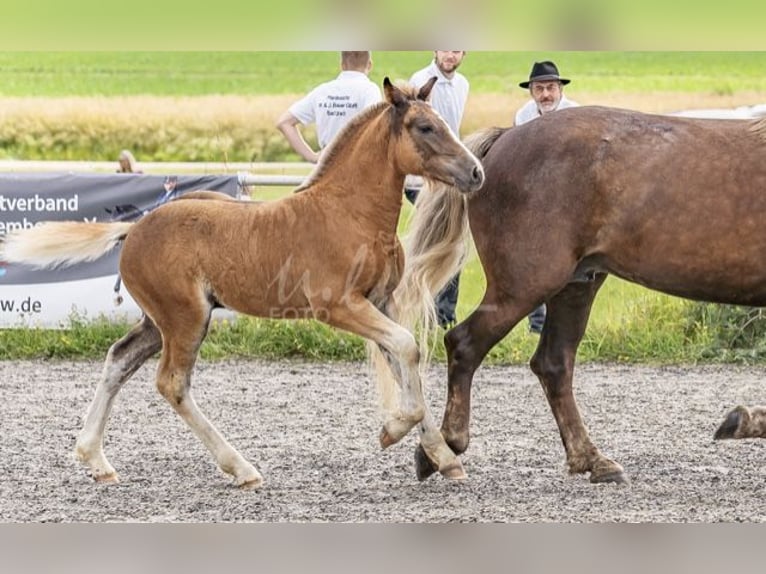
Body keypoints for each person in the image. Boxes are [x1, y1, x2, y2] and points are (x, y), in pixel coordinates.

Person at [515, 60, 579, 334]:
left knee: (569, 265)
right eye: (539, 88)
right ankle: (537, 324)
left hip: (570, 202)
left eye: (551, 87)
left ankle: (562, 325)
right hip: (536, 200)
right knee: (533, 263)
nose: (546, 94)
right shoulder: (523, 117)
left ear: (561, 89)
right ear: (531, 91)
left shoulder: (577, 115)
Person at [406, 51, 469, 329]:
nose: (450, 54)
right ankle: (432, 315)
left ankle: (441, 316)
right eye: (445, 48)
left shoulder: (463, 84)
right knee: (437, 245)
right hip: (424, 180)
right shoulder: (421, 81)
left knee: (450, 245)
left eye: (456, 49)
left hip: (447, 178)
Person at [275, 51, 382, 164]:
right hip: (356, 168)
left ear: (342, 65)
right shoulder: (370, 90)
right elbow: (374, 128)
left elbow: (284, 122)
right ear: (369, 64)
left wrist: (312, 157)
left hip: (325, 167)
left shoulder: (322, 91)